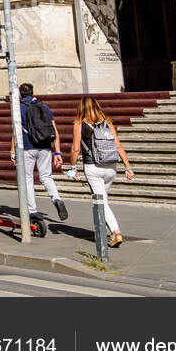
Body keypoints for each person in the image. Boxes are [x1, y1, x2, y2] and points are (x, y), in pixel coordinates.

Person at [70, 96, 134, 247]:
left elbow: (75, 148)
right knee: (103, 200)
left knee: (101, 202)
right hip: (111, 167)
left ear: (81, 108)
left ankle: (116, 232)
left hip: (93, 167)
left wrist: (73, 168)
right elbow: (118, 146)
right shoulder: (107, 122)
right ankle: (104, 232)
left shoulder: (79, 123)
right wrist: (128, 167)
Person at [18, 83, 68, 223]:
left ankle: (32, 210)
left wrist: (12, 150)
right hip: (45, 146)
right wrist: (57, 152)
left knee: (28, 178)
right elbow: (54, 130)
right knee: (46, 176)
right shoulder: (43, 106)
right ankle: (56, 198)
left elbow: (16, 131)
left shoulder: (19, 108)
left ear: (21, 94)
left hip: (27, 146)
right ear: (33, 92)